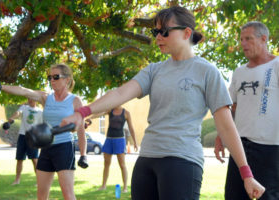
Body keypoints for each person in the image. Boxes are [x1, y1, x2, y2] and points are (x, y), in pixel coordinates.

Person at [61, 6, 265, 200]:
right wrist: (83, 111)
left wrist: (246, 173)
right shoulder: (154, 70)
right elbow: (121, 93)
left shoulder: (207, 72)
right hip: (147, 160)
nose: (158, 36)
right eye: (155, 31)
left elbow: (226, 126)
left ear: (186, 33)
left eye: (165, 31)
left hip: (182, 161)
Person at [0, 64, 88, 200]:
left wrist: (83, 155)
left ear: (67, 79)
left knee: (68, 195)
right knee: (41, 196)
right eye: (50, 77)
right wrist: (0, 87)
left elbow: (81, 130)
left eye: (56, 77)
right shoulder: (46, 98)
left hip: (64, 148)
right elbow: (24, 91)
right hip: (46, 148)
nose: (52, 80)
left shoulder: (75, 101)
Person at [214, 21, 279, 199]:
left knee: (268, 196)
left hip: (270, 147)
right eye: (241, 39)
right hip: (240, 147)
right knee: (234, 195)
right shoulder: (239, 72)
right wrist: (220, 135)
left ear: (263, 39)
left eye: (248, 39)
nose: (243, 43)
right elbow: (231, 107)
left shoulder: (276, 65)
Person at [91, 106, 138, 192]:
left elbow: (131, 128)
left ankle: (125, 188)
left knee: (122, 165)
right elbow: (100, 113)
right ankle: (103, 185)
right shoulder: (110, 110)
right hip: (109, 139)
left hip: (119, 140)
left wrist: (135, 142)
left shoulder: (126, 113)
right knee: (106, 164)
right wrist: (90, 117)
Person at [7, 98, 43, 185]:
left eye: (32, 98)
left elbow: (41, 126)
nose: (30, 100)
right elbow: (18, 113)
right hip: (22, 136)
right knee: (19, 159)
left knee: (34, 159)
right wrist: (11, 118)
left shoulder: (40, 112)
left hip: (33, 137)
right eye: (29, 98)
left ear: (36, 100)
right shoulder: (24, 107)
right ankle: (17, 180)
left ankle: (39, 181)